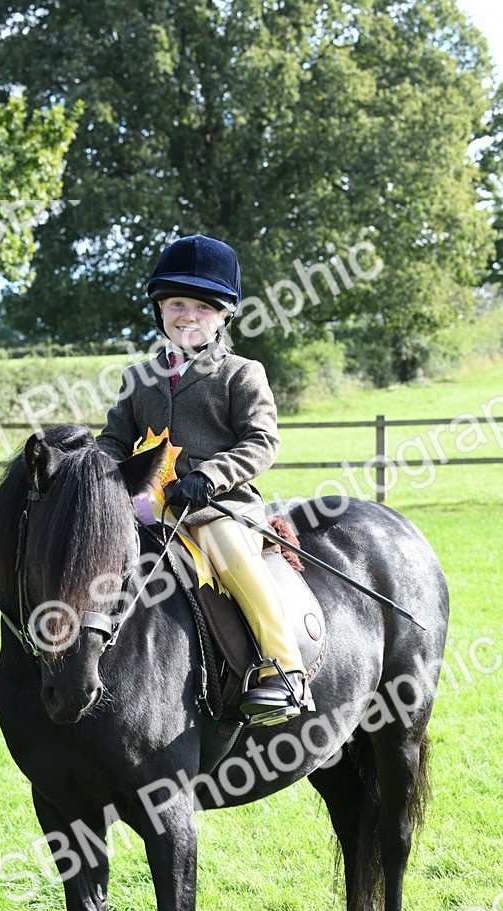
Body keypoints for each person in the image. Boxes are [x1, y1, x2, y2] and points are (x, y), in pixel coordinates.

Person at [96, 233, 309, 722]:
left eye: (200, 306)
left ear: (223, 315)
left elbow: (262, 441)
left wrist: (211, 475)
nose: (186, 315)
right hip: (148, 506)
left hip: (218, 506)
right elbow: (113, 439)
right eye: (175, 304)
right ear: (160, 310)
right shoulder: (138, 378)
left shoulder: (241, 373)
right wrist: (100, 472)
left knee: (231, 553)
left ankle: (283, 669)